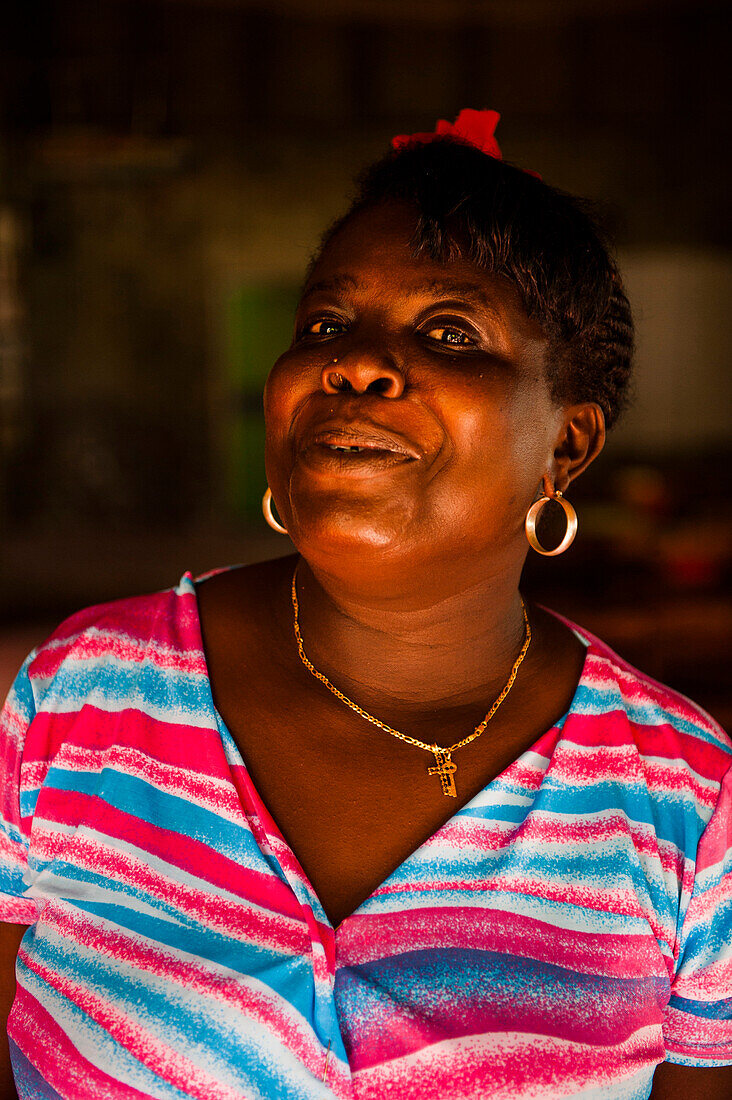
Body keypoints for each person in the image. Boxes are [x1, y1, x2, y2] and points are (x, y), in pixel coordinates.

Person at [0, 109, 730, 1100]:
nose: (355, 362)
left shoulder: (686, 802)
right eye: (325, 325)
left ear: (566, 446)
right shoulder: (80, 697)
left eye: (447, 330)